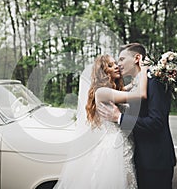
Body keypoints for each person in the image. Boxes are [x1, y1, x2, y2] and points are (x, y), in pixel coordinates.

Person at [54, 54, 148, 189]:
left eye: (115, 63)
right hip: (113, 148)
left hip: (123, 143)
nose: (116, 66)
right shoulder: (102, 92)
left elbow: (130, 87)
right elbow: (141, 94)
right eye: (110, 65)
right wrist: (144, 70)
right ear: (103, 72)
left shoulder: (112, 90)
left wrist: (137, 74)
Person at [98, 43, 177, 189]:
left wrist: (119, 118)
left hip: (155, 160)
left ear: (137, 58)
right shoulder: (136, 83)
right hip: (139, 158)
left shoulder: (154, 81)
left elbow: (156, 122)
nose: (119, 64)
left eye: (121, 59)